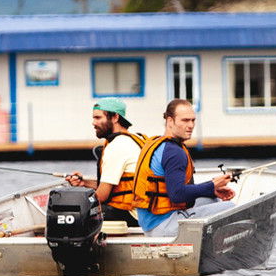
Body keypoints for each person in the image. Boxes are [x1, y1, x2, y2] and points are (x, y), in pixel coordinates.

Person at [129, 99, 236, 238]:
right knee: (230, 208)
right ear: (170, 121)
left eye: (193, 120)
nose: (190, 125)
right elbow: (177, 194)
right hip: (162, 226)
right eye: (185, 120)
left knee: (212, 199)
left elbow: (174, 191)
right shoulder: (174, 152)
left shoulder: (158, 144)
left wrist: (212, 190)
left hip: (150, 224)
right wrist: (212, 184)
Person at [64, 97, 146, 226]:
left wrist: (75, 204)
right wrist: (84, 183)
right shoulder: (135, 138)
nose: (93, 122)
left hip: (132, 215)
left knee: (72, 215)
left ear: (115, 118)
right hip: (145, 212)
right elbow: (117, 186)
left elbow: (101, 197)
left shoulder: (117, 146)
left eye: (98, 118)